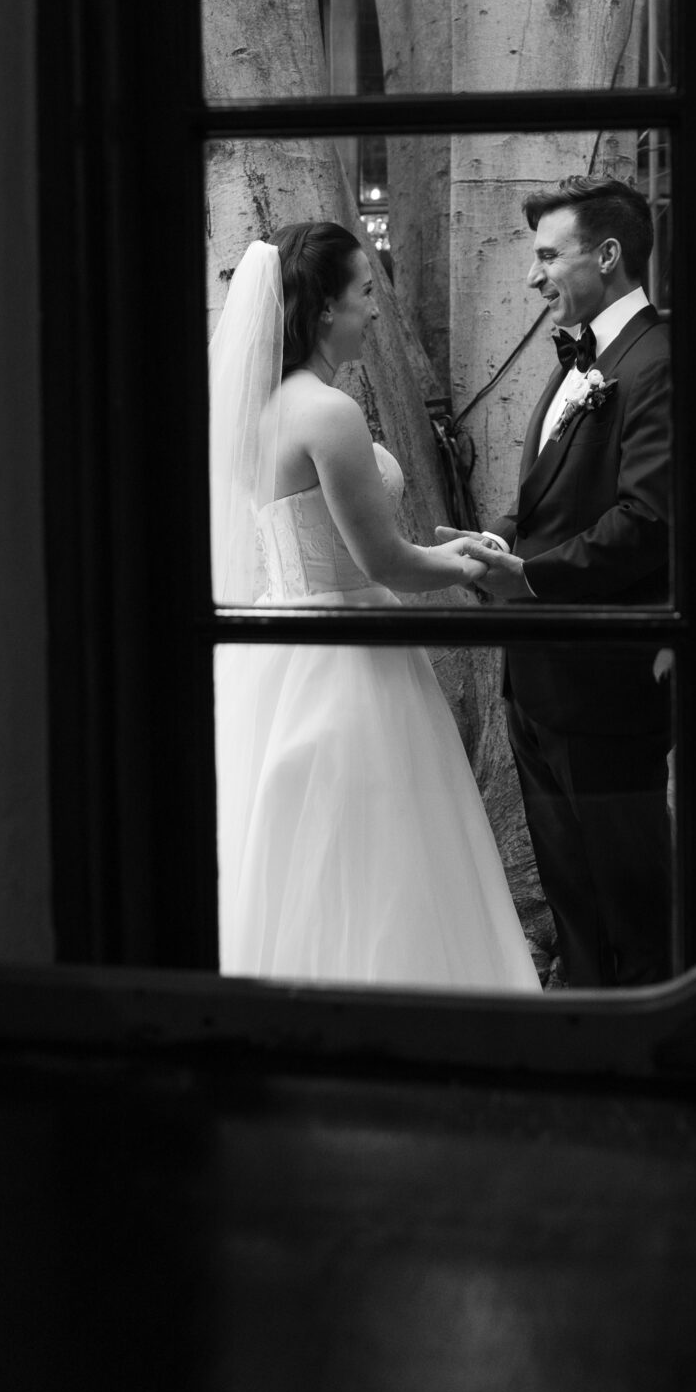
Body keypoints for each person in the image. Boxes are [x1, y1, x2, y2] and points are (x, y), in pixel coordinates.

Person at [209, 222, 542, 992]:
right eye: (365, 292)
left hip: (278, 648)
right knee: (384, 850)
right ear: (324, 308)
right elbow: (385, 561)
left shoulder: (258, 415)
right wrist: (476, 559)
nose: (376, 311)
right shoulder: (326, 413)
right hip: (348, 656)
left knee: (300, 849)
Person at [440, 176, 673, 988]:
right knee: (573, 893)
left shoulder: (659, 361)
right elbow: (555, 500)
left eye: (547, 256)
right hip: (538, 681)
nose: (532, 277)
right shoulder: (586, 360)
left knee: (630, 897)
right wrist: (496, 539)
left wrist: (530, 578)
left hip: (605, 685)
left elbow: (647, 520)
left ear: (607, 256)